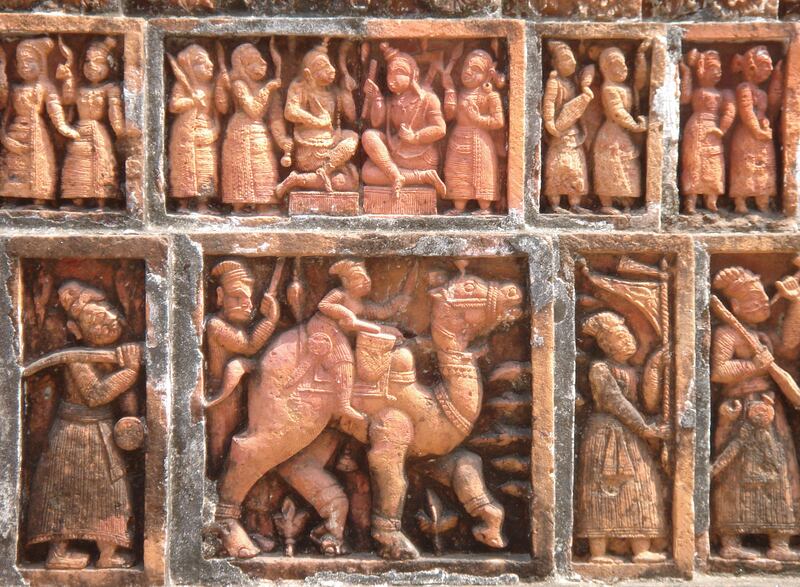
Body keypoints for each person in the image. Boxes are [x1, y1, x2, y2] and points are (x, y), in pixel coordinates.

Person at [26, 281, 141, 569]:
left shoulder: (116, 352)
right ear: (76, 330)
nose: (108, 322)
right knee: (64, 493)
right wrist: (129, 372)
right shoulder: (76, 358)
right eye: (95, 320)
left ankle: (108, 553)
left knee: (113, 493)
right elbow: (96, 394)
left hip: (102, 431)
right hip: (73, 433)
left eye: (109, 313)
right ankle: (57, 553)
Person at [711, 266, 800, 561]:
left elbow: (788, 346)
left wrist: (795, 302)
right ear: (735, 306)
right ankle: (731, 541)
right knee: (738, 474)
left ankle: (780, 540)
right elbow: (719, 371)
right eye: (754, 301)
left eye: (764, 299)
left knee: (780, 470)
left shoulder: (763, 336)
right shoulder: (727, 333)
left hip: (771, 412)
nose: (763, 304)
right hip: (741, 412)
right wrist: (753, 367)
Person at [575, 311, 668, 564]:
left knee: (641, 487)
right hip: (606, 435)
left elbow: (647, 401)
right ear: (605, 344)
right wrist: (644, 428)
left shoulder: (630, 370)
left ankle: (640, 548)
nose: (627, 339)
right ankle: (598, 552)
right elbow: (615, 402)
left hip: (629, 435)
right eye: (619, 336)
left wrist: (655, 366)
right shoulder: (600, 369)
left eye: (627, 334)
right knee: (604, 491)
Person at [306, 258, 410, 421]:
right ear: (346, 281)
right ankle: (343, 404)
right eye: (359, 278)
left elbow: (381, 312)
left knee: (386, 333)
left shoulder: (360, 303)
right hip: (323, 326)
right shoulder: (340, 294)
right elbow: (324, 305)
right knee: (344, 359)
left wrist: (397, 303)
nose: (366, 281)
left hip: (338, 329)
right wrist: (346, 313)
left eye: (366, 277)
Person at [205, 259, 280, 476]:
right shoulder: (215, 326)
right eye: (237, 297)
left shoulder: (230, 325)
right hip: (223, 397)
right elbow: (249, 345)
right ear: (220, 296)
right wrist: (270, 320)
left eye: (249, 298)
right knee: (223, 450)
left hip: (239, 392)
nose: (247, 304)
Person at [361, 43, 447, 198]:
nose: (392, 78)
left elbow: (440, 128)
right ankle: (417, 177)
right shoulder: (392, 100)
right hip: (397, 152)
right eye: (390, 73)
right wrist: (377, 98)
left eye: (399, 73)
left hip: (420, 157)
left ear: (413, 75)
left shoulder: (428, 98)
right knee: (368, 149)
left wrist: (416, 137)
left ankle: (401, 175)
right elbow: (376, 122)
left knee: (371, 172)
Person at [0, 38, 78, 206]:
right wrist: (5, 138)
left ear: (41, 63)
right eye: (20, 62)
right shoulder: (15, 89)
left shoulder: (45, 87)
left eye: (30, 61)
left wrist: (63, 127)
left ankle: (38, 197)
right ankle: (12, 196)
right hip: (15, 133)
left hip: (36, 134)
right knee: (14, 167)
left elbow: (54, 108)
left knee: (38, 165)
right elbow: (5, 117)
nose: (24, 66)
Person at [276, 41, 359, 198]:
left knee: (352, 142)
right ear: (308, 73)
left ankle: (306, 177)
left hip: (332, 143)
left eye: (329, 65)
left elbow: (352, 116)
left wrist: (346, 91)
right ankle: (308, 176)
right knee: (347, 179)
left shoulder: (333, 91)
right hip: (310, 148)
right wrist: (316, 121)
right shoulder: (300, 87)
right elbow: (290, 111)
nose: (330, 70)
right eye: (322, 67)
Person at [221, 43, 292, 214]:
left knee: (264, 166)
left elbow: (275, 118)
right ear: (242, 66)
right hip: (240, 132)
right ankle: (238, 206)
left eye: (262, 58)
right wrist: (268, 88)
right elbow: (253, 110)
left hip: (260, 133)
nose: (262, 63)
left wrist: (282, 139)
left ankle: (263, 205)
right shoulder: (239, 84)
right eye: (254, 60)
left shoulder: (270, 90)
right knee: (241, 172)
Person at [59, 37, 127, 209]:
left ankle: (101, 200)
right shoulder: (80, 88)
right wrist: (67, 76)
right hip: (79, 130)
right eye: (87, 62)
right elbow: (67, 99)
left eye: (98, 62)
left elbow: (114, 110)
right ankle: (77, 199)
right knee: (76, 165)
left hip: (98, 132)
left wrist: (119, 129)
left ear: (110, 66)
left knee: (100, 162)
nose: (91, 66)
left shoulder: (110, 88)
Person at [442, 49, 505, 216]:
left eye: (475, 69)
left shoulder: (490, 96)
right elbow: (449, 115)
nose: (468, 72)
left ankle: (485, 207)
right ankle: (459, 206)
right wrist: (449, 90)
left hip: (480, 140)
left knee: (481, 173)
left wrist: (477, 119)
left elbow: (498, 121)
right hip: (458, 138)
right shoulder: (461, 93)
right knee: (457, 172)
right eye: (466, 67)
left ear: (486, 75)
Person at [168, 44, 228, 212]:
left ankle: (203, 204)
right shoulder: (182, 87)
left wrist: (214, 132)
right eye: (202, 62)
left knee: (206, 167)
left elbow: (219, 112)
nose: (210, 64)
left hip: (205, 130)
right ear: (190, 67)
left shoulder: (210, 88)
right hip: (185, 134)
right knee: (184, 168)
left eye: (209, 60)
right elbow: (174, 105)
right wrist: (192, 101)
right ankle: (183, 204)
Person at [679, 49, 735, 214]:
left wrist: (722, 129)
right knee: (693, 163)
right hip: (696, 128)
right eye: (713, 68)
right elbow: (684, 98)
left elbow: (730, 111)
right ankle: (691, 200)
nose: (718, 73)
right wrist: (687, 73)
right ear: (701, 70)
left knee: (714, 163)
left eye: (719, 69)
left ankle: (712, 200)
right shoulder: (698, 91)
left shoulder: (722, 93)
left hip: (713, 129)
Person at [592, 47, 647, 215]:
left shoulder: (626, 88)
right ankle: (607, 202)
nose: (624, 68)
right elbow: (617, 112)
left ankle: (624, 199)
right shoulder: (609, 89)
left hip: (623, 134)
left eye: (625, 64)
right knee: (610, 166)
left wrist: (640, 56)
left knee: (628, 165)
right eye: (618, 65)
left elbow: (640, 81)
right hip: (612, 134)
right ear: (606, 69)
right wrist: (635, 126)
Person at [729, 46, 782, 214]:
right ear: (752, 68)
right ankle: (740, 201)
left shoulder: (762, 93)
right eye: (766, 64)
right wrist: (757, 130)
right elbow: (746, 112)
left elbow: (771, 109)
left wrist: (778, 78)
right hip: (747, 133)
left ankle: (762, 198)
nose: (770, 69)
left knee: (765, 165)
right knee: (745, 166)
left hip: (762, 135)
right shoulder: (744, 88)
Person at [542, 41, 593, 214]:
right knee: (556, 168)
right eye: (565, 60)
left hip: (572, 132)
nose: (570, 63)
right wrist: (549, 122)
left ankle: (575, 203)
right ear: (555, 63)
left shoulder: (573, 83)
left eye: (571, 60)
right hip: (559, 132)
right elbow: (548, 102)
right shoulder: (554, 82)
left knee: (575, 167)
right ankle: (555, 204)